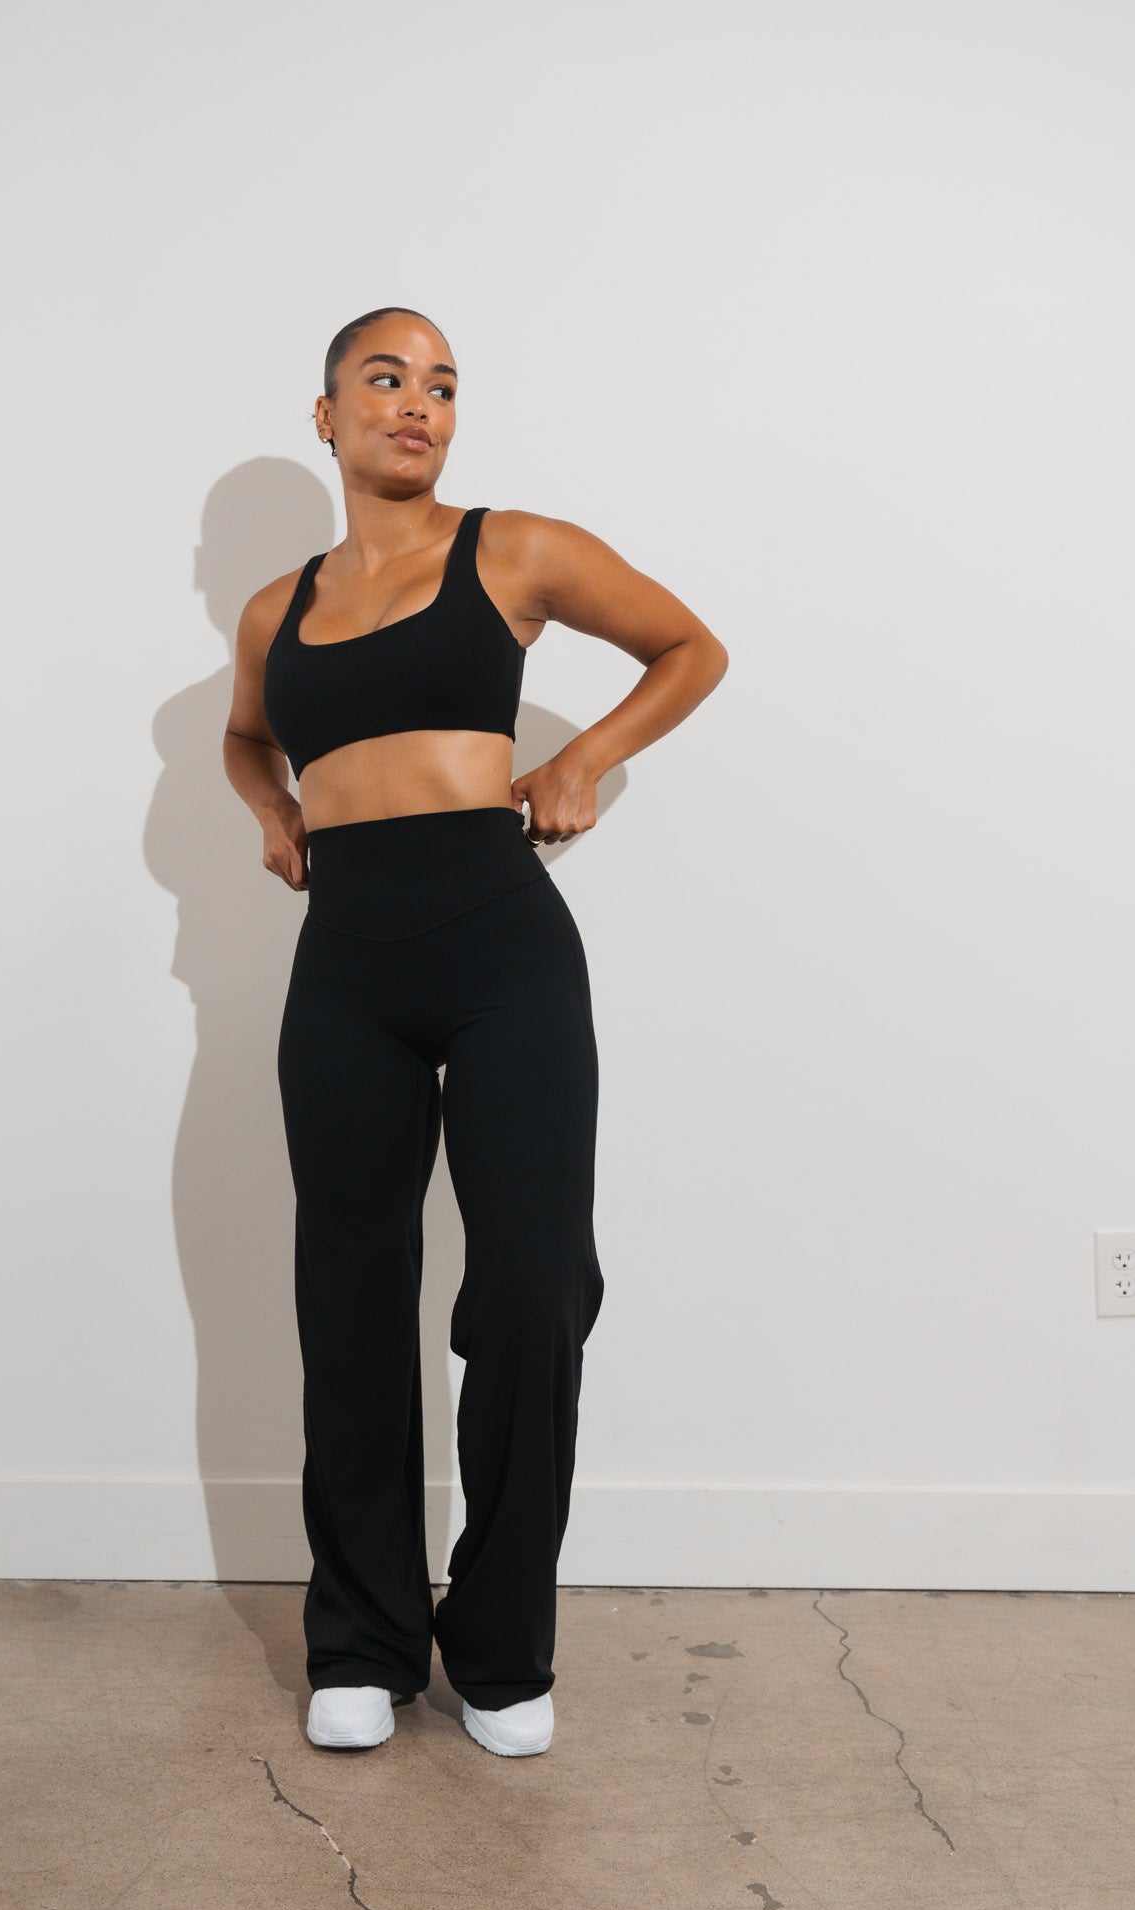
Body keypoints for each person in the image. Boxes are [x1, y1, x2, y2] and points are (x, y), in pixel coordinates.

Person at [224, 306, 728, 1757]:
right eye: (385, 379)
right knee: (349, 1292)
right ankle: (363, 1640)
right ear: (326, 414)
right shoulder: (274, 609)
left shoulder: (513, 550)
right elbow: (246, 736)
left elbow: (689, 648)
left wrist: (582, 760)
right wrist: (271, 811)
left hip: (502, 947)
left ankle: (502, 1648)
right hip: (346, 965)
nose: (417, 404)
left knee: (530, 1282)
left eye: (441, 386)